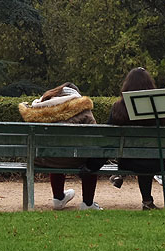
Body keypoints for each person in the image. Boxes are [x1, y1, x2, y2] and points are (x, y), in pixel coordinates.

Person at [18, 82, 102, 210]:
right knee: (92, 159)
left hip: (44, 159)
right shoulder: (83, 110)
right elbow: (95, 139)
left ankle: (58, 198)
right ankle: (88, 203)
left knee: (54, 153)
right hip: (77, 159)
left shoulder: (41, 109)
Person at [104, 67, 164, 210]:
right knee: (146, 157)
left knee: (139, 156)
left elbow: (108, 133)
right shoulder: (158, 107)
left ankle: (120, 174)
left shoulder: (119, 107)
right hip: (157, 161)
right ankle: (147, 201)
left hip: (128, 161)